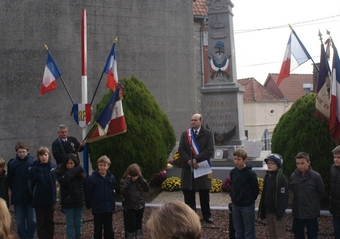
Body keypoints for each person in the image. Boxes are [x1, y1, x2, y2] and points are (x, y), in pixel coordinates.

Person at [178, 113, 214, 223]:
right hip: (188, 169)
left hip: (201, 167)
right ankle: (190, 216)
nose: (193, 122)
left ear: (201, 121)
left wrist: (196, 159)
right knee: (188, 194)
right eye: (191, 120)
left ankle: (207, 215)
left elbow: (209, 149)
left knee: (204, 193)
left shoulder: (208, 134)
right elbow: (181, 150)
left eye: (195, 120)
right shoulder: (185, 134)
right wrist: (189, 161)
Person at [290, 152, 325, 239]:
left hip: (311, 213)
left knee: (312, 234)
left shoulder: (316, 177)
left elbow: (321, 192)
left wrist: (313, 203)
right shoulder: (293, 176)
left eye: (302, 163)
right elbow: (292, 191)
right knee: (298, 234)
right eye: (297, 163)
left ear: (308, 162)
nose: (300, 166)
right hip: (298, 212)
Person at [7, 141, 36, 239]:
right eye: (20, 152)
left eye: (23, 152)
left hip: (30, 197)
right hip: (18, 197)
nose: (22, 154)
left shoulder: (32, 163)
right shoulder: (12, 164)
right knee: (19, 221)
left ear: (27, 151)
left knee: (32, 220)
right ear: (16, 152)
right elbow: (10, 180)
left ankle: (30, 237)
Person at [27, 146, 57, 239]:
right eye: (41, 155)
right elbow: (30, 186)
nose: (44, 157)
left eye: (45, 155)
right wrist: (35, 196)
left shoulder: (53, 167)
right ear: (38, 156)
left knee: (50, 223)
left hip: (50, 201)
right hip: (39, 202)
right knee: (41, 223)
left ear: (48, 155)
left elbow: (56, 183)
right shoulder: (34, 169)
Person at [230, 147, 259, 239]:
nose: (236, 161)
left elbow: (255, 190)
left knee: (248, 231)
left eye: (238, 159)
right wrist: (233, 197)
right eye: (235, 159)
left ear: (245, 160)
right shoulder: (233, 172)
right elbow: (233, 186)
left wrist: (249, 200)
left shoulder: (250, 174)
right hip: (236, 205)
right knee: (238, 230)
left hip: (247, 206)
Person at [54, 154, 86, 239]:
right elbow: (65, 180)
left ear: (75, 163)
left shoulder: (80, 175)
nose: (69, 165)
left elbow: (83, 187)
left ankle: (78, 236)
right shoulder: (62, 174)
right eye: (68, 164)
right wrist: (78, 169)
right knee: (70, 223)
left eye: (71, 163)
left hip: (78, 201)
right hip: (68, 202)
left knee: (78, 222)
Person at [258, 153, 289, 239]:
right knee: (272, 233)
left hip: (277, 212)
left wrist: (280, 211)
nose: (269, 165)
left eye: (272, 163)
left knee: (279, 233)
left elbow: (283, 197)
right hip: (268, 210)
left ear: (278, 164)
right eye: (268, 163)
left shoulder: (281, 179)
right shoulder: (268, 176)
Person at [85, 155, 116, 239]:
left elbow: (112, 191)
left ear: (108, 166)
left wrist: (112, 205)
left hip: (108, 208)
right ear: (98, 165)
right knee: (98, 230)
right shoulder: (92, 179)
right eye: (100, 165)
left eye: (104, 165)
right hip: (98, 208)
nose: (102, 167)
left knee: (108, 229)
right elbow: (88, 193)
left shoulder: (111, 177)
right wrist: (89, 205)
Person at [120, 163, 150, 239]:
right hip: (130, 206)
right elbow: (122, 191)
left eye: (136, 176)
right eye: (132, 176)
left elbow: (147, 189)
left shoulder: (139, 181)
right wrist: (129, 181)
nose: (134, 178)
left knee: (139, 224)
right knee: (131, 225)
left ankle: (138, 237)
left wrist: (141, 178)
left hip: (140, 205)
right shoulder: (124, 181)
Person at [330, 146, 340, 239]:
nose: (336, 160)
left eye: (338, 157)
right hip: (335, 206)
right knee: (337, 230)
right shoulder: (333, 168)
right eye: (334, 157)